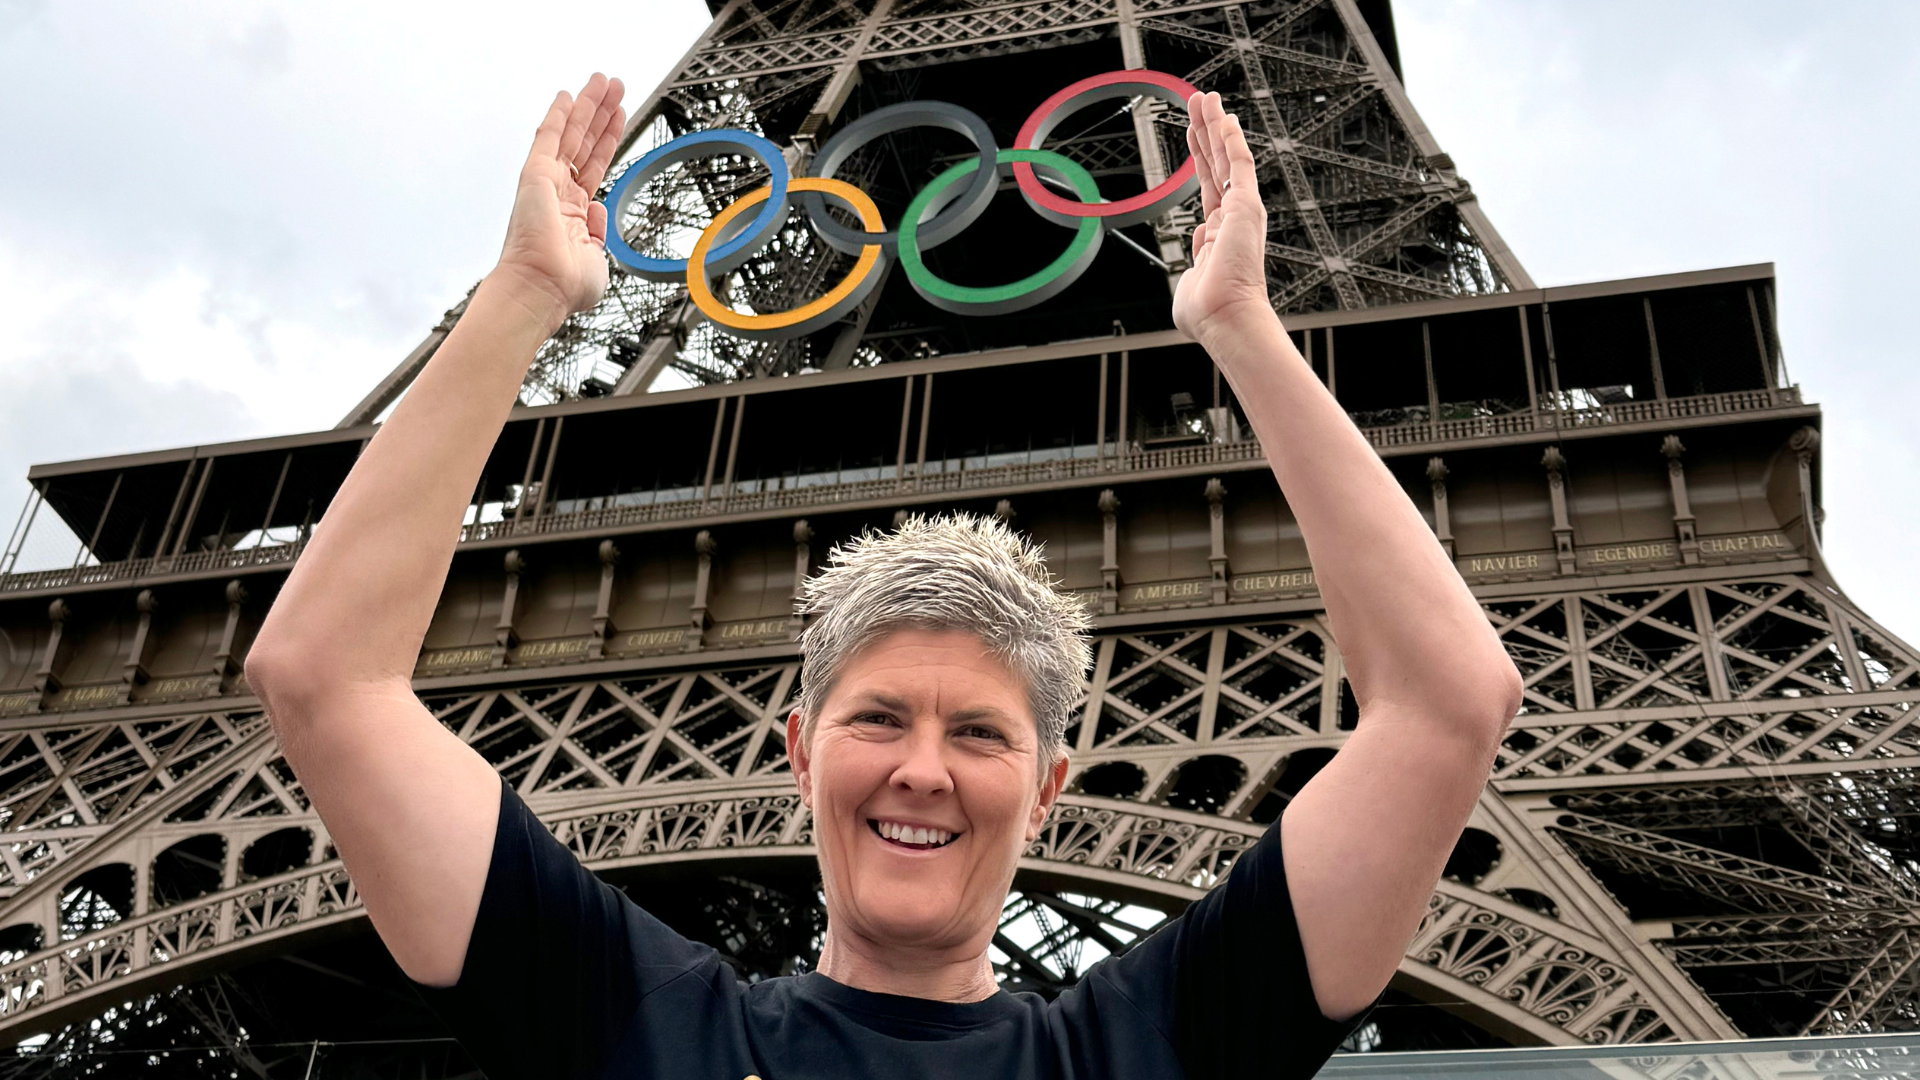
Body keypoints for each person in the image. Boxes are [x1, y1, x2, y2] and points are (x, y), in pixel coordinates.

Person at [245, 74, 1524, 1080]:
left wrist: (1240, 330)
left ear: (1048, 786)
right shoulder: (633, 1026)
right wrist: (526, 295)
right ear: (800, 750)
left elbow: (1448, 703)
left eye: (978, 731)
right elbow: (323, 677)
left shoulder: (1148, 1045)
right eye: (879, 718)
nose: (922, 768)